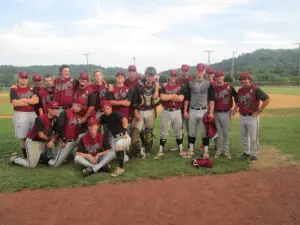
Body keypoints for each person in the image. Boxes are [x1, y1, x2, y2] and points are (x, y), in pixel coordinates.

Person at [9, 101, 59, 168]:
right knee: (31, 165)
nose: (56, 110)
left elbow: (57, 132)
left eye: (57, 109)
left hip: (43, 141)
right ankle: (14, 159)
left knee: (57, 140)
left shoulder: (56, 119)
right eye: (53, 109)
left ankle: (43, 157)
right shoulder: (40, 119)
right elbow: (41, 135)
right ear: (49, 109)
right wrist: (49, 140)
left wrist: (52, 141)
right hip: (33, 141)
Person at [235, 72, 270, 164]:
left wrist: (259, 111)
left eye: (245, 79)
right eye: (242, 79)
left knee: (253, 137)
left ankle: (254, 154)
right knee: (243, 136)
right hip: (242, 116)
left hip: (252, 117)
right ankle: (246, 152)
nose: (243, 81)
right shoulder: (240, 90)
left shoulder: (255, 89)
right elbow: (239, 102)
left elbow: (267, 99)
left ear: (249, 80)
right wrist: (235, 109)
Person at [184, 63, 215, 158]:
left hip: (203, 110)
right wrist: (185, 110)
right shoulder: (191, 83)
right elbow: (187, 98)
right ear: (196, 71)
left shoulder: (208, 84)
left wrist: (211, 112)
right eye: (198, 70)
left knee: (204, 132)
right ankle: (191, 149)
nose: (200, 72)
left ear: (204, 71)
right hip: (192, 110)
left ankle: (206, 151)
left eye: (201, 70)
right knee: (191, 132)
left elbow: (211, 99)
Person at [48, 97, 86, 167]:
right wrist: (64, 140)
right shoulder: (64, 113)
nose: (78, 109)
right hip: (66, 142)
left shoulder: (78, 115)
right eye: (77, 106)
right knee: (55, 164)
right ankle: (47, 158)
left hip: (75, 141)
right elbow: (60, 128)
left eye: (80, 108)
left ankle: (71, 155)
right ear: (73, 104)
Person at [131, 67, 159, 158]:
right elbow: (134, 100)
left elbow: (155, 98)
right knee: (135, 133)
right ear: (145, 75)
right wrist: (135, 112)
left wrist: (157, 88)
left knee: (149, 132)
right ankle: (138, 150)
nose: (149, 78)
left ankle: (148, 149)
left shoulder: (156, 85)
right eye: (148, 75)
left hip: (150, 111)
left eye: (151, 76)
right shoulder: (138, 85)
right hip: (140, 111)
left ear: (154, 76)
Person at [156, 70, 185, 159]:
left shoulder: (180, 87)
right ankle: (160, 151)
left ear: (176, 77)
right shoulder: (164, 87)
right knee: (164, 131)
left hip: (177, 111)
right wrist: (173, 95)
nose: (173, 77)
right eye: (172, 76)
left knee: (178, 130)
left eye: (175, 76)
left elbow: (181, 99)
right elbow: (162, 97)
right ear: (169, 77)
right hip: (166, 111)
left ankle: (181, 150)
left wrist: (169, 96)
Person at [10, 72, 39, 158]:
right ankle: (26, 155)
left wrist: (22, 100)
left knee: (35, 134)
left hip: (32, 113)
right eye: (22, 77)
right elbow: (15, 103)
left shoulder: (32, 89)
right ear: (18, 78)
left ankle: (35, 153)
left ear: (28, 79)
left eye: (26, 77)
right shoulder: (14, 89)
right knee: (23, 136)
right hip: (20, 114)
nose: (24, 79)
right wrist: (29, 101)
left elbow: (36, 101)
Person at [99, 101, 131, 177]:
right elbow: (99, 124)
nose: (106, 110)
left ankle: (120, 168)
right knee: (113, 153)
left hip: (123, 136)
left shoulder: (116, 114)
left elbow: (125, 120)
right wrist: (98, 133)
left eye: (108, 108)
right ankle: (125, 157)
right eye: (105, 109)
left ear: (111, 108)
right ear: (103, 110)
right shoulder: (103, 116)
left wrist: (124, 131)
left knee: (119, 145)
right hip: (114, 138)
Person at [213, 70, 238, 159]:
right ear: (215, 78)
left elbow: (237, 97)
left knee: (226, 133)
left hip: (226, 113)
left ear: (223, 77)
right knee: (218, 133)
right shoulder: (213, 87)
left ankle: (226, 151)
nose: (219, 77)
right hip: (215, 113)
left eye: (220, 76)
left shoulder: (229, 87)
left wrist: (235, 109)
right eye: (217, 76)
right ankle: (218, 150)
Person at [170, 64, 193, 151]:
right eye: (183, 70)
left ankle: (190, 146)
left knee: (189, 128)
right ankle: (179, 145)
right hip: (179, 108)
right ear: (181, 70)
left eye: (186, 70)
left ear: (188, 71)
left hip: (189, 108)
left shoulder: (192, 80)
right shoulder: (177, 80)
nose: (184, 72)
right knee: (179, 128)